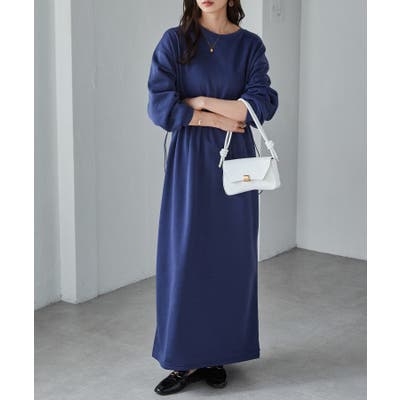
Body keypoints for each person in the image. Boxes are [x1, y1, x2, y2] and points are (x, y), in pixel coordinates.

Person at [147, 0, 278, 395]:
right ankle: (183, 359)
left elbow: (258, 105)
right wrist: (216, 116)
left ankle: (216, 354)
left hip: (236, 162)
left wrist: (199, 101)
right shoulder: (174, 42)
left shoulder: (250, 46)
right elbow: (160, 106)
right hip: (189, 162)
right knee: (185, 256)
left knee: (229, 258)